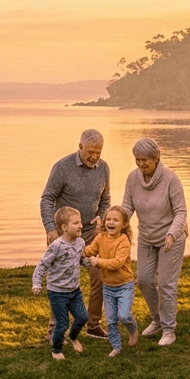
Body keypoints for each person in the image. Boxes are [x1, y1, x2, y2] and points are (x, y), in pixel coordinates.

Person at [39, 128, 111, 339]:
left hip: (91, 232)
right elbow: (47, 198)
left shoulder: (104, 168)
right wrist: (50, 228)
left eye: (98, 152)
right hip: (65, 235)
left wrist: (102, 216)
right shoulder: (62, 167)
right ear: (80, 147)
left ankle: (93, 324)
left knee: (100, 276)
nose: (94, 157)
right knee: (62, 281)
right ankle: (55, 330)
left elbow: (106, 199)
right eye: (90, 152)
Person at [120, 137, 187, 347]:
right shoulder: (133, 178)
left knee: (166, 283)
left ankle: (169, 329)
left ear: (156, 159)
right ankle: (157, 320)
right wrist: (114, 221)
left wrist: (172, 234)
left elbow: (181, 211)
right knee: (144, 280)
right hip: (147, 237)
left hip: (171, 238)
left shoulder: (171, 179)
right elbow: (127, 206)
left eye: (144, 160)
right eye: (137, 160)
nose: (140, 164)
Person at [33, 206, 88, 360]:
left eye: (80, 222)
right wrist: (36, 283)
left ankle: (72, 337)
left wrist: (90, 262)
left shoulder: (80, 243)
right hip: (57, 292)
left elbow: (80, 259)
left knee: (83, 317)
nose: (81, 226)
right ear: (64, 227)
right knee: (62, 324)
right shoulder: (56, 246)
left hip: (75, 290)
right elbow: (42, 265)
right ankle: (56, 350)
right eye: (76, 223)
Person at [84, 205, 138, 357]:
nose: (111, 222)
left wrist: (98, 261)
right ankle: (116, 347)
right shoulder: (100, 237)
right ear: (104, 222)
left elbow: (117, 263)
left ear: (124, 224)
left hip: (124, 286)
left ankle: (133, 330)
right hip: (108, 287)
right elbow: (89, 250)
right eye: (108, 219)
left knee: (124, 315)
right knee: (111, 320)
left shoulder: (123, 240)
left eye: (116, 220)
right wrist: (77, 245)